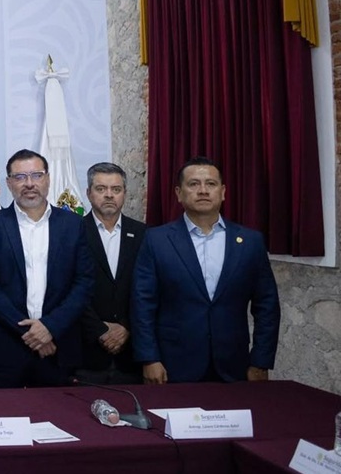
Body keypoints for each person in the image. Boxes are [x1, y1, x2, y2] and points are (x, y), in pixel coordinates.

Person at [132, 156, 281, 384]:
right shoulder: (156, 240)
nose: (203, 190)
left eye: (210, 184)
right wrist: (149, 358)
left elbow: (267, 306)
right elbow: (142, 304)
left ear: (223, 192)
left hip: (234, 366)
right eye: (194, 184)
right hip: (173, 366)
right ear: (179, 193)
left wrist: (261, 361)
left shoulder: (250, 242)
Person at [0, 149, 93, 388]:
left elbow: (84, 282)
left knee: (58, 410)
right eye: (20, 177)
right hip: (5, 347)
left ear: (47, 179)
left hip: (57, 346)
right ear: (9, 183)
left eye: (36, 175)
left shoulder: (73, 224)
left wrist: (50, 327)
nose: (29, 183)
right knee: (5, 411)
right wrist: (31, 333)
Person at [76, 162, 146, 385]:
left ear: (124, 193)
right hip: (85, 353)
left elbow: (148, 291)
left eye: (116, 189)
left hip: (132, 354)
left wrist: (126, 326)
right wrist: (100, 329)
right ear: (88, 193)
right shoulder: (72, 232)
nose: (109, 195)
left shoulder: (144, 234)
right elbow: (67, 289)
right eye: (101, 189)